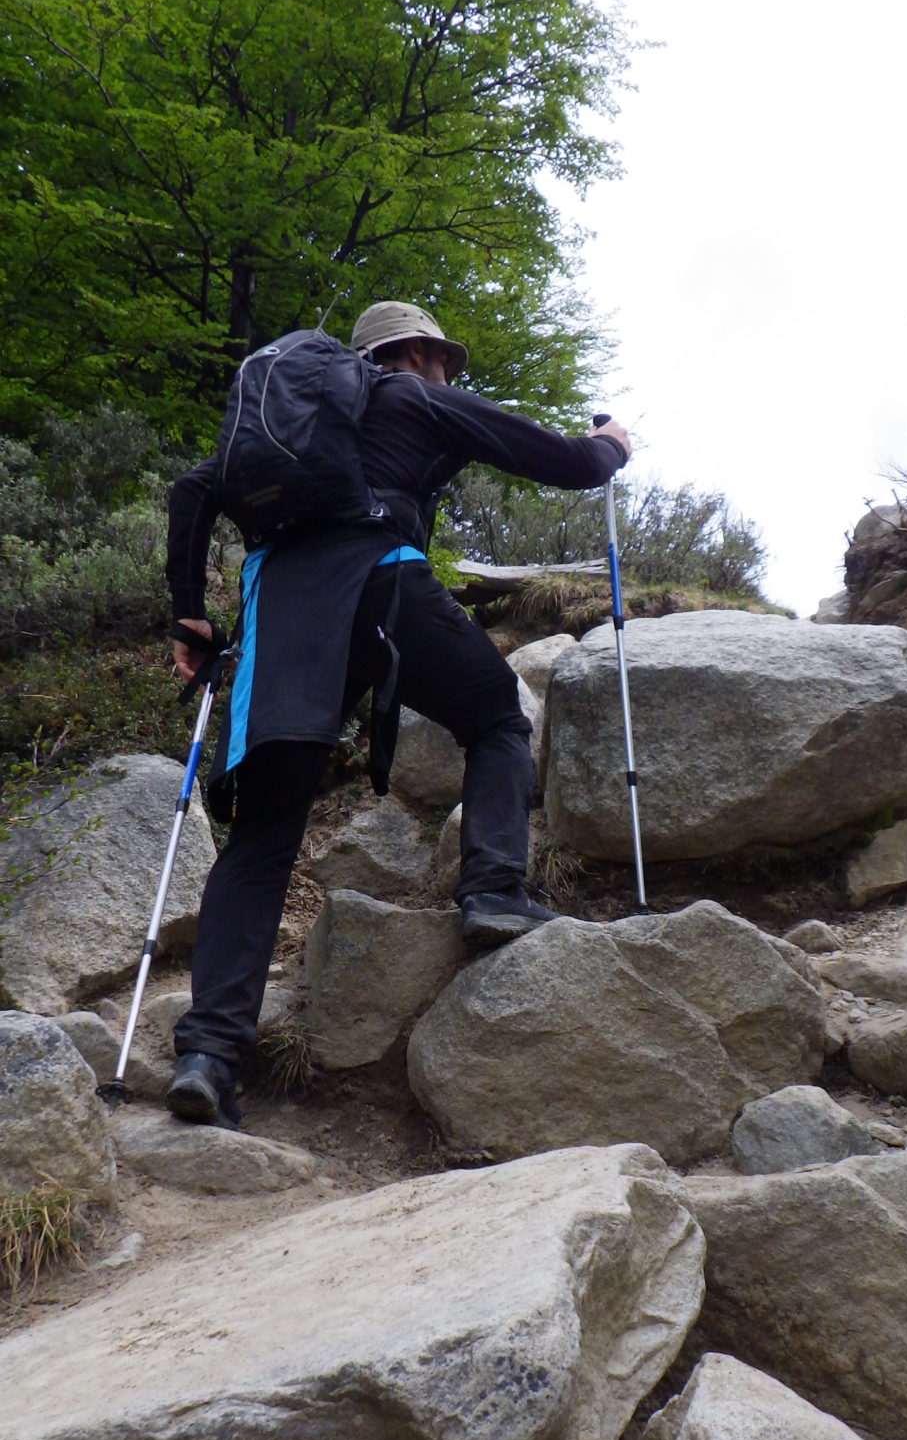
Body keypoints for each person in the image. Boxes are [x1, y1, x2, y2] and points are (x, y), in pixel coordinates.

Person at [163, 300, 631, 1128]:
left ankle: (207, 1054)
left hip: (283, 612)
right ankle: (491, 890)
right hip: (381, 579)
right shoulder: (410, 395)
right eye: (442, 358)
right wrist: (608, 447)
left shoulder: (288, 426)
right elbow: (559, 461)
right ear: (414, 352)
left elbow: (193, 490)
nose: (449, 371)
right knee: (494, 718)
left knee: (263, 837)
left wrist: (189, 616)